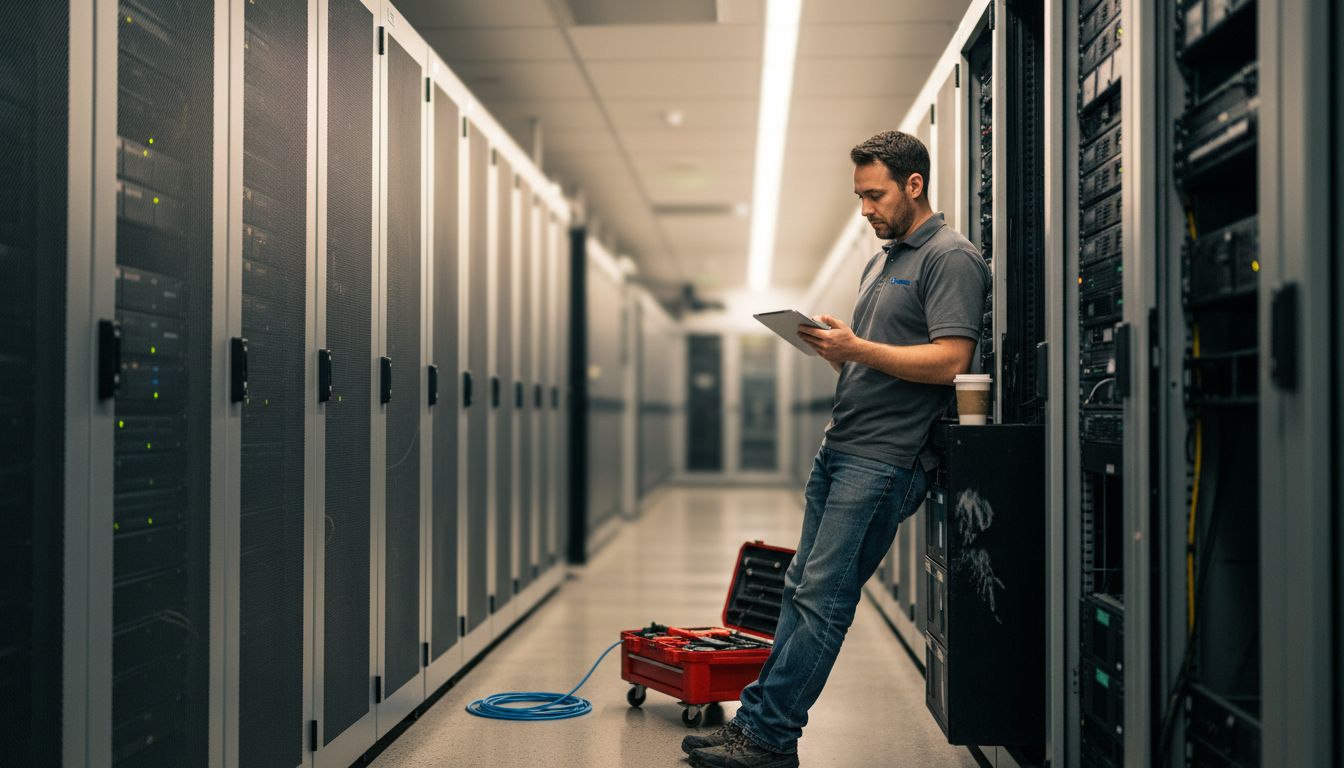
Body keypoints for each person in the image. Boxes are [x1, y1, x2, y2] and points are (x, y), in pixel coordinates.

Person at [681, 130, 990, 768]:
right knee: (800, 587)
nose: (865, 209)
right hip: (842, 447)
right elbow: (884, 357)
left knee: (824, 599)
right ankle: (759, 720)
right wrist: (836, 351)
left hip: (886, 459)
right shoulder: (881, 260)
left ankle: (769, 739)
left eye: (874, 195)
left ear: (914, 185)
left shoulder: (951, 258)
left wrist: (857, 350)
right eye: (859, 196)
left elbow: (951, 361)